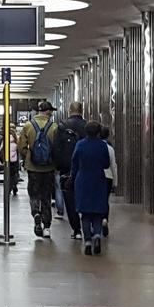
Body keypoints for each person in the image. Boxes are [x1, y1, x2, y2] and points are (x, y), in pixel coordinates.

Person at [16, 102, 62, 239]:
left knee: (34, 193)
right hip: (48, 167)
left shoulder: (28, 126)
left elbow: (21, 147)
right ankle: (47, 226)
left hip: (33, 167)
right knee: (46, 196)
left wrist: (29, 156)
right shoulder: (54, 127)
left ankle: (36, 213)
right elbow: (57, 148)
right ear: (48, 112)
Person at [69, 122, 112, 255]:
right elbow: (106, 164)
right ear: (98, 132)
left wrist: (72, 176)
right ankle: (97, 236)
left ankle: (87, 241)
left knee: (85, 214)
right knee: (98, 212)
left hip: (83, 180)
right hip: (98, 180)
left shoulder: (80, 144)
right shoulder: (102, 145)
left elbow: (74, 162)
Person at [53, 102, 87, 240]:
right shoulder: (87, 126)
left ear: (69, 110)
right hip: (85, 168)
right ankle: (88, 225)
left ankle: (77, 230)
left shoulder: (62, 126)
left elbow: (56, 148)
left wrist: (58, 166)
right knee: (86, 198)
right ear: (81, 110)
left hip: (67, 168)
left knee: (70, 200)